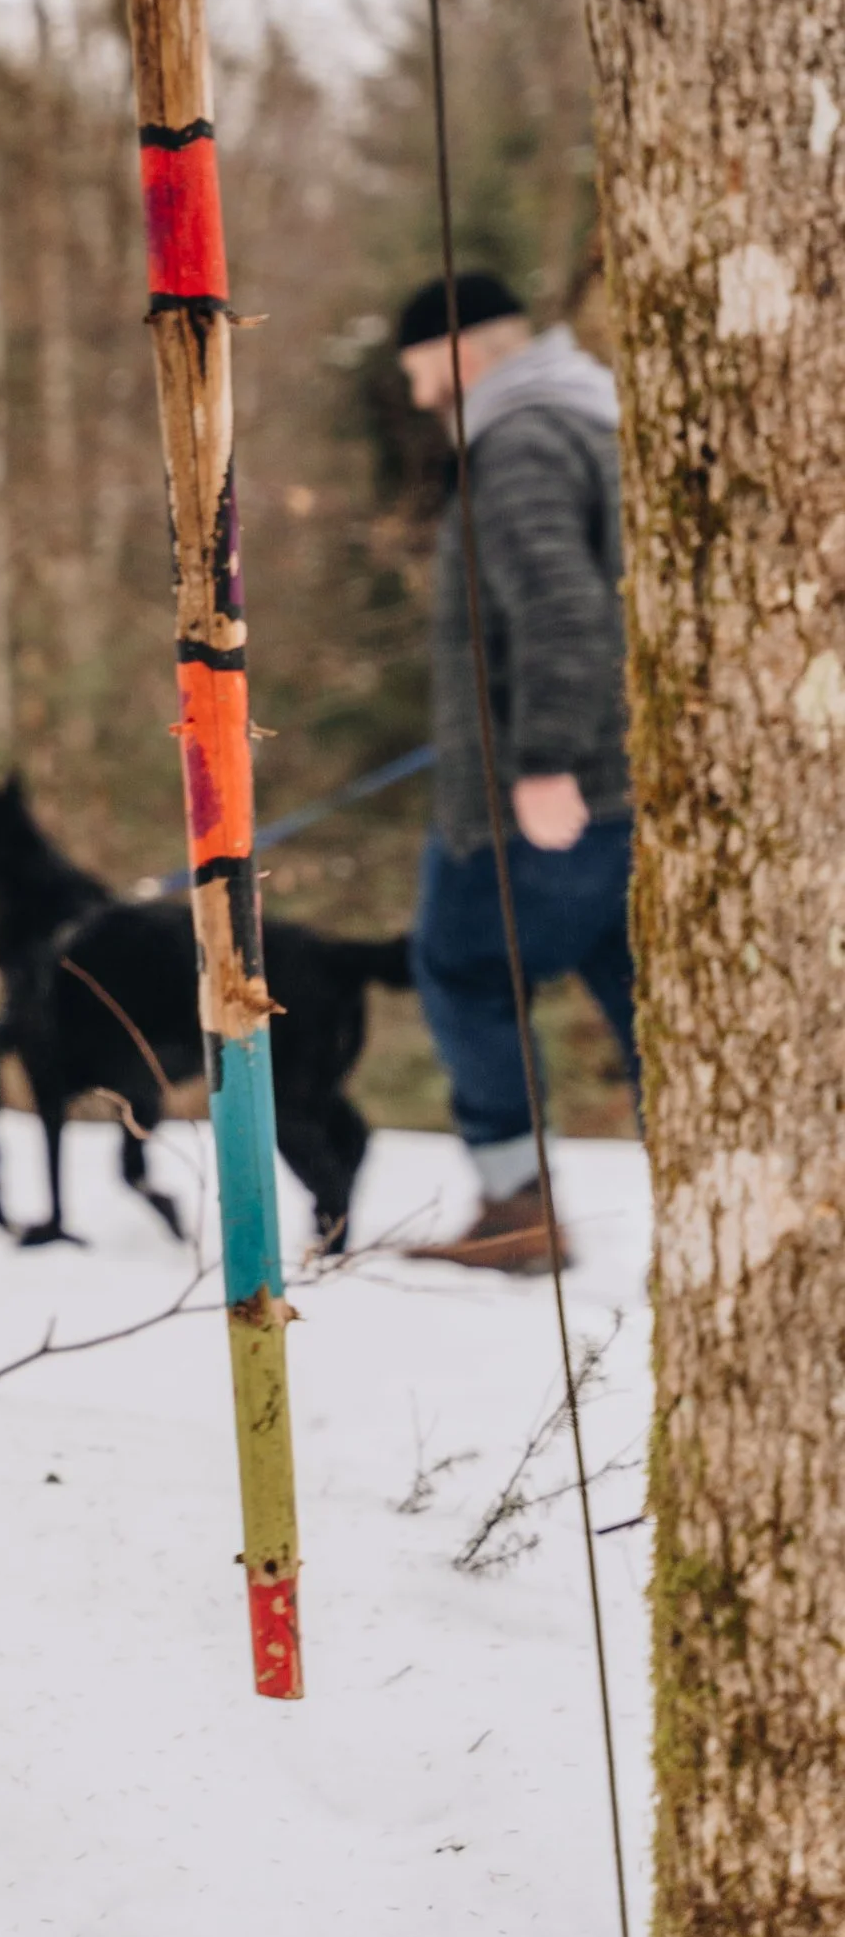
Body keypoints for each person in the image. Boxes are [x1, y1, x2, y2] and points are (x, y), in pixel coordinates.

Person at [392, 268, 638, 1273]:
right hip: (618, 780)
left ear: (463, 351)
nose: (416, 397)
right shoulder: (586, 420)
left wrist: (540, 763)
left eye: (417, 371)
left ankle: (513, 1207)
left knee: (460, 964)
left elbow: (562, 609)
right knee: (635, 986)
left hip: (546, 796)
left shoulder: (521, 438)